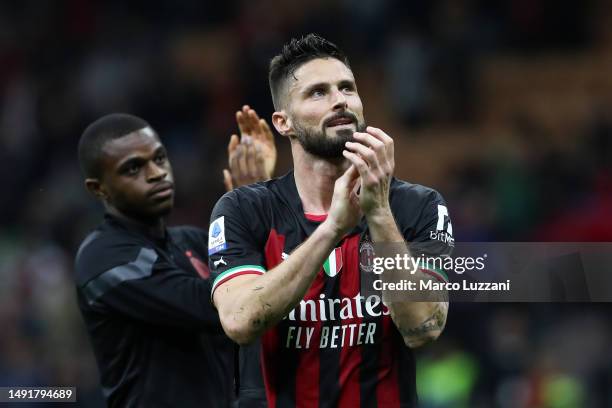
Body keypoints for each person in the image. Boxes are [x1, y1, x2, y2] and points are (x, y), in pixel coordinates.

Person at [208, 34, 454, 407]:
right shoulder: (243, 210)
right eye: (317, 93)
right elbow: (240, 321)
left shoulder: (419, 206)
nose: (340, 100)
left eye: (347, 88)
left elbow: (424, 327)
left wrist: (379, 212)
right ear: (283, 122)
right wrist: (333, 228)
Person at [74, 107, 275, 407]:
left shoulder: (192, 241)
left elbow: (267, 288)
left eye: (159, 158)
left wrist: (257, 206)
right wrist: (248, 220)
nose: (156, 173)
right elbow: (225, 307)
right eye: (133, 168)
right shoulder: (103, 258)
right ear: (98, 188)